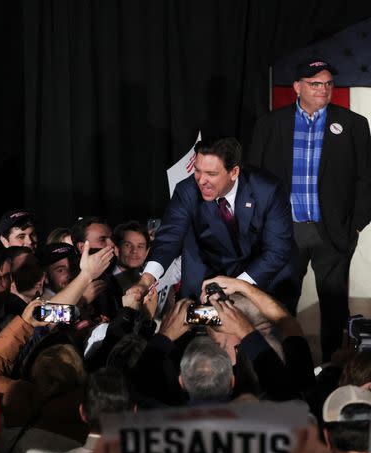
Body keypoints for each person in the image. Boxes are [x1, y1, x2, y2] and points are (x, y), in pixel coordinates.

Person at [249, 59, 371, 361]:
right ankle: (282, 361)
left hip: (333, 231)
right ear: (298, 87)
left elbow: (366, 178)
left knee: (333, 305)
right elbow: (255, 178)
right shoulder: (270, 124)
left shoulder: (354, 124)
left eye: (328, 83)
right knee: (281, 301)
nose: (324, 89)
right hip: (285, 230)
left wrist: (356, 224)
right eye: (316, 83)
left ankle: (332, 366)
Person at [130, 136, 295, 301]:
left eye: (211, 173)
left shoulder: (268, 190)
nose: (201, 181)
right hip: (204, 281)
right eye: (197, 171)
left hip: (260, 279)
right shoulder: (186, 191)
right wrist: (146, 280)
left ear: (234, 172)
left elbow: (277, 251)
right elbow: (168, 239)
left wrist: (238, 286)